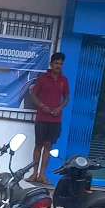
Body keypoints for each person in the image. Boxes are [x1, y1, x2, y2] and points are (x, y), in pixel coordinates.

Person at [30, 52, 70, 184]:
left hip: (55, 120)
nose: (58, 66)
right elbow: (33, 95)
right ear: (51, 64)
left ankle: (42, 175)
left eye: (61, 64)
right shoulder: (42, 79)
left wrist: (60, 108)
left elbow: (67, 98)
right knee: (38, 145)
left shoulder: (64, 80)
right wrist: (42, 106)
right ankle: (34, 173)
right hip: (42, 118)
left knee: (48, 146)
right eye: (56, 63)